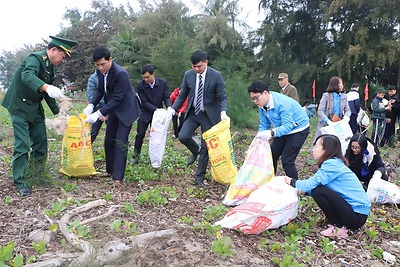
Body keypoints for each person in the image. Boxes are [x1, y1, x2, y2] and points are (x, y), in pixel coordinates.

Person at [1, 35, 77, 196]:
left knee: (41, 141)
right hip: (19, 106)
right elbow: (27, 76)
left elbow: (49, 94)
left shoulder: (51, 68)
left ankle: (35, 174)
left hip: (34, 107)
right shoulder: (35, 58)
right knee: (22, 145)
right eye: (63, 57)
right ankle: (20, 180)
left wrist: (59, 113)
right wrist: (46, 86)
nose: (63, 60)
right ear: (53, 50)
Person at [285, 134, 371, 238]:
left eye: (316, 146)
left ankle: (338, 227)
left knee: (318, 190)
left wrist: (290, 181)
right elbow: (329, 191)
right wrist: (304, 191)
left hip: (356, 215)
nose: (313, 149)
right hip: (355, 213)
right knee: (317, 190)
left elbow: (311, 184)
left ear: (326, 150)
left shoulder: (331, 164)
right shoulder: (334, 163)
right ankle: (339, 225)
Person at [166, 50, 229, 187]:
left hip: (209, 115)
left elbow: (222, 97)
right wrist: (172, 108)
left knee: (205, 146)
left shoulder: (216, 76)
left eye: (199, 66)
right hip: (194, 113)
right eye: (194, 66)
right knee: (183, 136)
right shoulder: (189, 75)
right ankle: (195, 151)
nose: (196, 69)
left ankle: (199, 176)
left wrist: (223, 112)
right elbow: (182, 95)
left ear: (206, 62)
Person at [83, 46, 140, 186]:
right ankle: (110, 171)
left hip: (126, 109)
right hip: (113, 109)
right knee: (109, 139)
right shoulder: (100, 72)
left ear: (110, 60)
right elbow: (100, 91)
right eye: (97, 65)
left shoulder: (121, 73)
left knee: (120, 142)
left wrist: (99, 113)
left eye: (103, 64)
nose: (101, 68)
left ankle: (118, 178)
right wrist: (91, 105)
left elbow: (118, 99)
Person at [248, 80, 309, 180]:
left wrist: (272, 133)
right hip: (282, 128)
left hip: (298, 128)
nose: (255, 101)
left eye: (256, 98)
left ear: (265, 93)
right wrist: (258, 139)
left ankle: (295, 188)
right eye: (252, 99)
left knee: (287, 160)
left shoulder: (281, 103)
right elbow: (264, 125)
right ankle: (270, 182)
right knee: (271, 155)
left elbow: (289, 125)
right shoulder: (262, 105)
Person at [131, 64, 171, 164]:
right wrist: (155, 109)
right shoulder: (141, 85)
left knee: (157, 136)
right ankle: (136, 156)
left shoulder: (162, 83)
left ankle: (157, 157)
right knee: (140, 134)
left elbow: (166, 97)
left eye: (147, 77)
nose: (145, 79)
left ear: (153, 74)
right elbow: (144, 101)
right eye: (144, 77)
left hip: (158, 115)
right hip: (146, 112)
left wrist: (169, 107)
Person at [314, 76, 351, 142]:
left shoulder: (344, 96)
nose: (342, 85)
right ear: (334, 84)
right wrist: (327, 120)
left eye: (342, 84)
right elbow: (320, 111)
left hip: (338, 124)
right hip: (325, 125)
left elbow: (348, 110)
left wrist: (346, 117)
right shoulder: (326, 96)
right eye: (340, 83)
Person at [87, 71, 106, 143]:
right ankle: (86, 147)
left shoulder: (111, 76)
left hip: (110, 107)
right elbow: (91, 95)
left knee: (113, 130)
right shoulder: (93, 79)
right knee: (93, 131)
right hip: (98, 107)